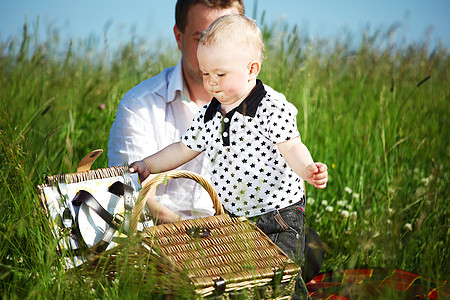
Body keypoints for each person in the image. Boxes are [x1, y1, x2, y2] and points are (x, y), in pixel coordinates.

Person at [130, 14, 328, 299]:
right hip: (234, 215)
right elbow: (183, 149)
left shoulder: (271, 107)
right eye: (205, 73)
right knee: (244, 277)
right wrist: (149, 165)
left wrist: (308, 167)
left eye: (220, 74)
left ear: (252, 69)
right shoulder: (210, 114)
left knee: (280, 275)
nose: (211, 82)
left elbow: (291, 146)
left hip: (278, 213)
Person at [107, 0, 245, 222]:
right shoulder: (139, 105)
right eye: (202, 40)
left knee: (309, 245)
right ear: (179, 38)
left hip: (240, 242)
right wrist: (199, 241)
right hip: (160, 242)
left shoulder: (262, 107)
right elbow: (133, 195)